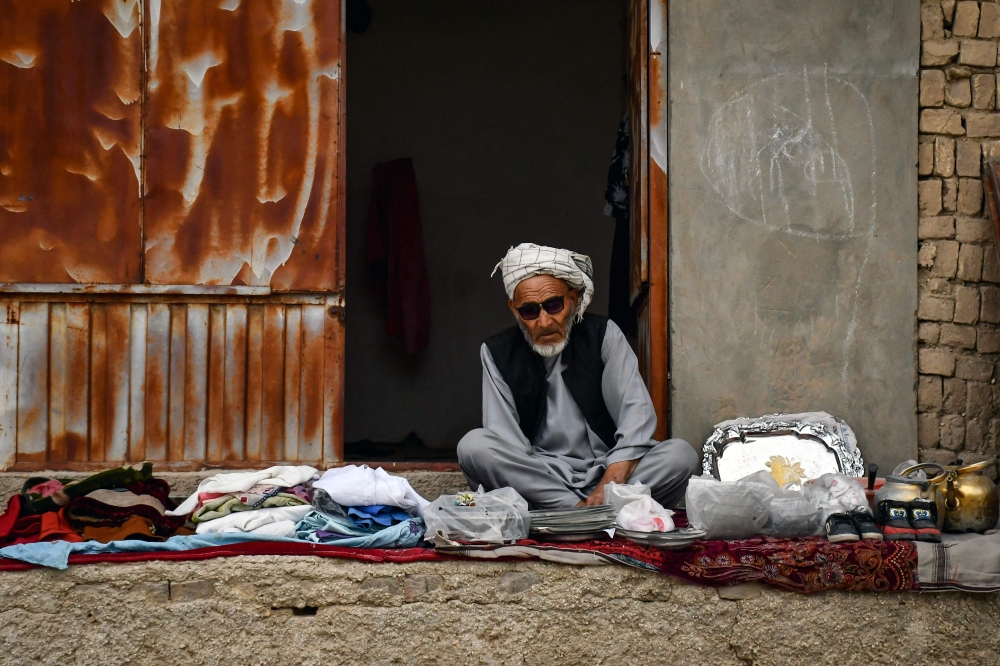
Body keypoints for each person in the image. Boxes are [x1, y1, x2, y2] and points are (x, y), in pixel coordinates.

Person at [457, 243, 700, 510]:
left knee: (680, 455)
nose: (544, 321)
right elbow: (507, 444)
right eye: (530, 311)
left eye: (554, 305)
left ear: (572, 299)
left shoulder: (603, 334)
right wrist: (558, 493)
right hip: (543, 478)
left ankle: (578, 515)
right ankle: (581, 512)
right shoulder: (496, 352)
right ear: (514, 309)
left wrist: (610, 483)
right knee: (473, 446)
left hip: (608, 472)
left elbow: (636, 418)